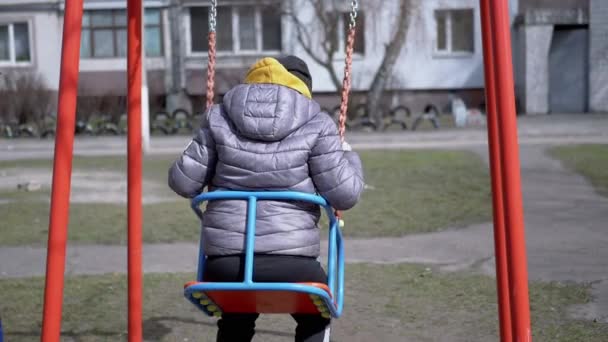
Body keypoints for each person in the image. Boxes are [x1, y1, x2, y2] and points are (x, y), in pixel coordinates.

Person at [168, 55, 365, 342]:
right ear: (303, 89)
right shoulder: (318, 123)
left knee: (236, 311)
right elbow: (345, 195)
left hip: (226, 264)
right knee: (315, 315)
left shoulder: (217, 117)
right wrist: (348, 156)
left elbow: (183, 182)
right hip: (293, 263)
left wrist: (197, 144)